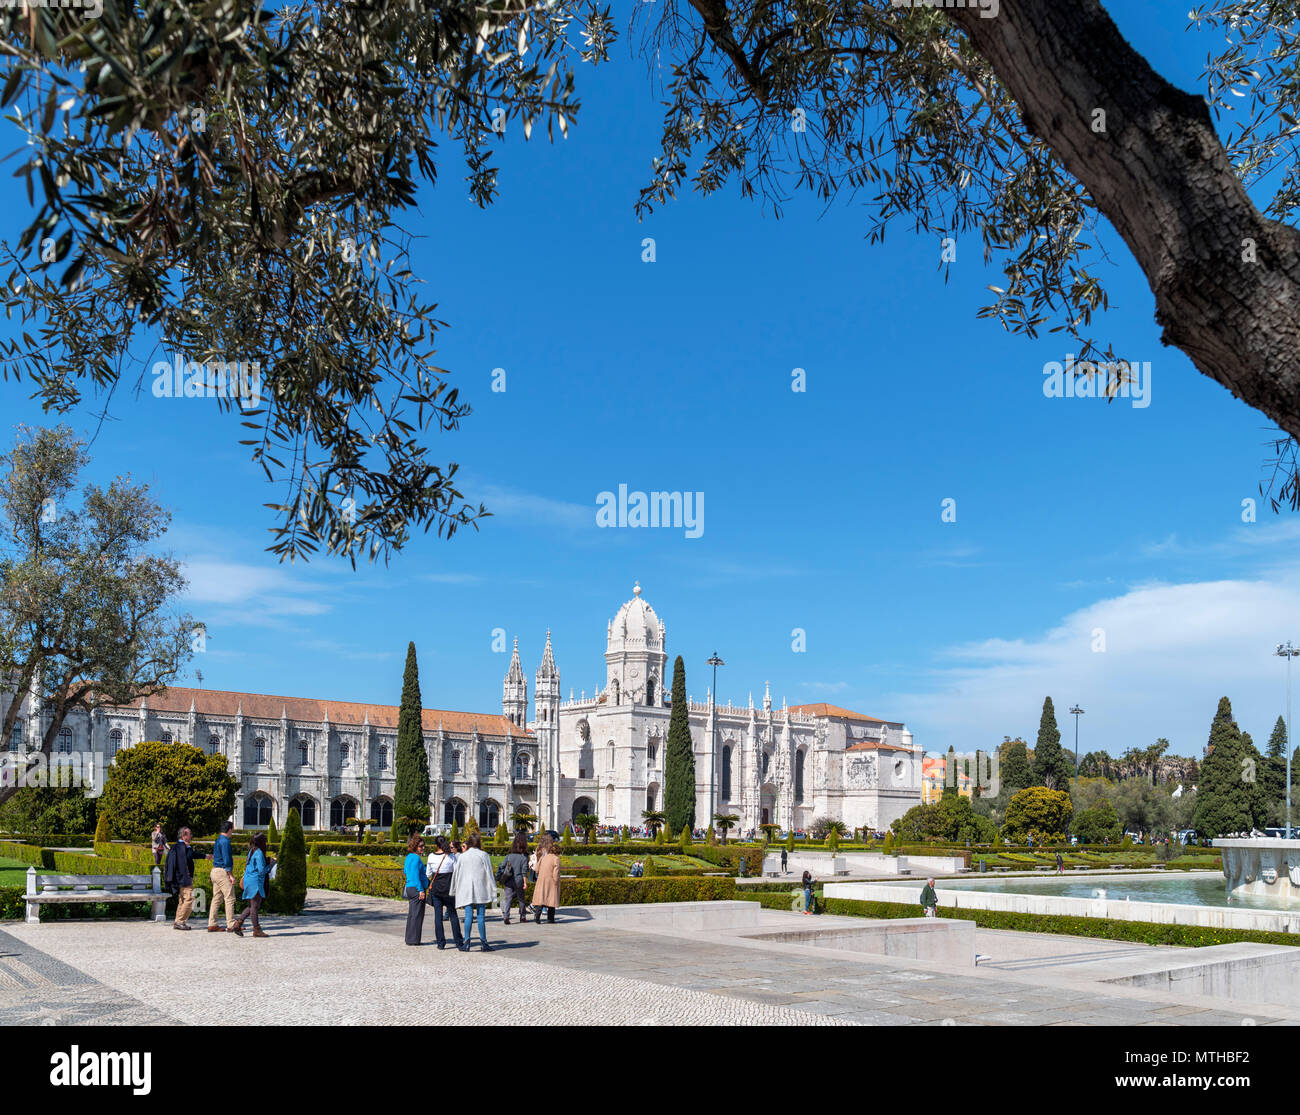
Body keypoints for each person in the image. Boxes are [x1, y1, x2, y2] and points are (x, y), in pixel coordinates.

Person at [451, 832, 497, 952]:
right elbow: (489, 873)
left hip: (466, 888)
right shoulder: (483, 855)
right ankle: (484, 942)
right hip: (480, 887)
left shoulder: (462, 856)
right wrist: (493, 889)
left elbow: (456, 873)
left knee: (468, 915)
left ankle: (467, 942)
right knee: (481, 915)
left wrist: (454, 889)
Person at [228, 832, 273, 938]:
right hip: (255, 882)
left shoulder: (251, 851)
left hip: (249, 880)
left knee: (252, 905)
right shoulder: (259, 853)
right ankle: (257, 930)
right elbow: (262, 870)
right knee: (255, 906)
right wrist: (270, 864)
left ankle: (237, 924)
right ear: (262, 842)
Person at [426, 835, 463, 950]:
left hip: (436, 889)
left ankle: (440, 943)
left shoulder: (431, 856)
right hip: (449, 889)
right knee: (453, 915)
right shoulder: (451, 856)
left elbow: (428, 874)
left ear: (436, 845)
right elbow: (457, 871)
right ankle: (458, 942)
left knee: (438, 916)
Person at [164, 826, 197, 930]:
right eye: (189, 834)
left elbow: (189, 857)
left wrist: (205, 856)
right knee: (189, 898)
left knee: (182, 900)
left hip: (181, 878)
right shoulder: (180, 847)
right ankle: (180, 921)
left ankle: (178, 922)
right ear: (184, 836)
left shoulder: (180, 847)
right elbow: (181, 863)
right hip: (183, 878)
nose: (191, 835)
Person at [208, 821, 237, 932]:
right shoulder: (226, 841)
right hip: (222, 872)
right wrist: (231, 875)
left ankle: (212, 923)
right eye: (232, 829)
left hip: (215, 871)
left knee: (217, 898)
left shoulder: (218, 839)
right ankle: (231, 924)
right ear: (229, 829)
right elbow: (227, 859)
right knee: (229, 897)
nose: (232, 832)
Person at [402, 832, 428, 945]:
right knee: (417, 915)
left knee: (412, 914)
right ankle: (414, 940)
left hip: (410, 887)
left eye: (423, 846)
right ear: (415, 847)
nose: (423, 848)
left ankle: (410, 938)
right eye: (420, 846)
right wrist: (421, 889)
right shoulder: (416, 858)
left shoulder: (409, 857)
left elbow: (406, 871)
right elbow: (415, 875)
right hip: (416, 888)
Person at [499, 832, 530, 925]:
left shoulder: (508, 856)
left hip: (508, 880)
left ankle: (506, 916)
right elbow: (524, 872)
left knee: (508, 898)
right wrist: (525, 883)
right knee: (521, 898)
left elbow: (502, 866)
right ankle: (522, 916)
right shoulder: (523, 858)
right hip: (519, 880)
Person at [531, 834, 561, 924]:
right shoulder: (556, 859)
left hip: (541, 880)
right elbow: (556, 872)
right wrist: (556, 882)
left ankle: (537, 917)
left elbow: (536, 869)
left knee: (541, 899)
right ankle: (550, 919)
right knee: (551, 901)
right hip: (551, 881)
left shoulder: (544, 857)